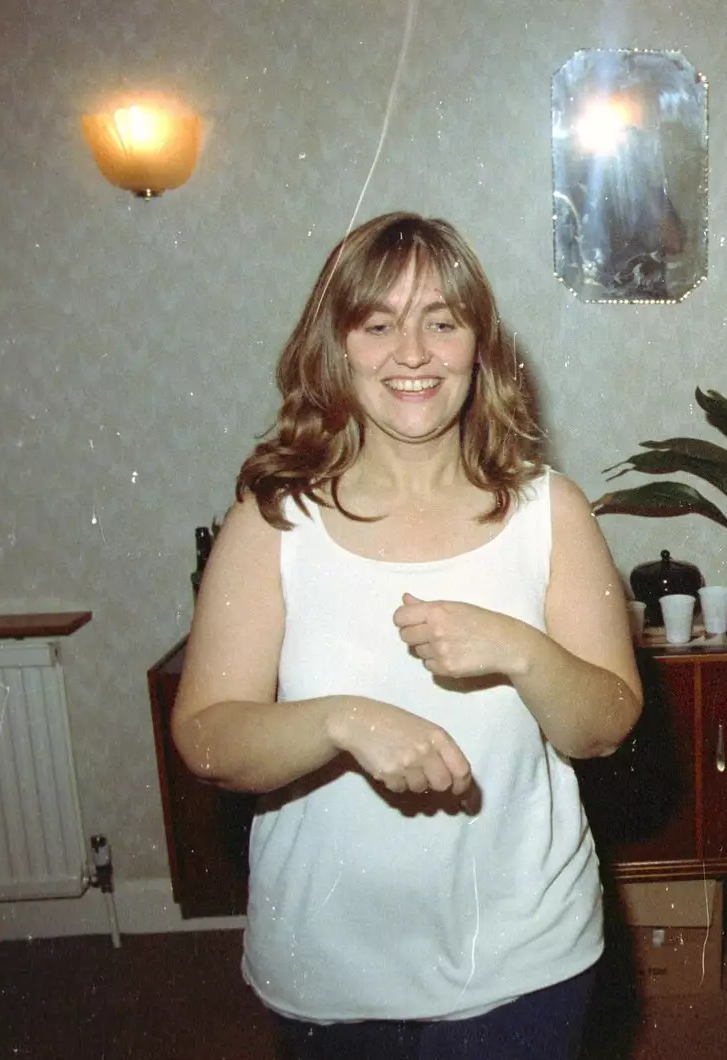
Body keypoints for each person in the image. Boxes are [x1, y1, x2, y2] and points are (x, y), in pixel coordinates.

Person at [172, 212, 643, 1060]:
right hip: (328, 962)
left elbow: (603, 726)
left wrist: (519, 649)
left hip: (523, 954)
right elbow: (206, 735)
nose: (413, 352)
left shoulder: (551, 514)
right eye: (379, 324)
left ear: (479, 345)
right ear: (337, 345)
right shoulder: (273, 521)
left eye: (442, 321)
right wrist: (342, 721)